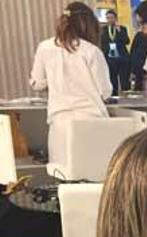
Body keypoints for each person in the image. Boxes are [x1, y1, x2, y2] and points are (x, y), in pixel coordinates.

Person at [29, 1, 112, 173]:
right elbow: (105, 92)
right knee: (94, 176)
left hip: (59, 123)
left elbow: (36, 83)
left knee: (63, 177)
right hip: (91, 121)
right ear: (88, 24)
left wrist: (54, 82)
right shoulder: (91, 51)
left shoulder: (44, 47)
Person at [100, 9, 131, 95]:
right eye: (108, 18)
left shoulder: (122, 28)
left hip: (121, 57)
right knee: (112, 78)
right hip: (109, 58)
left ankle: (126, 95)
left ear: (115, 18)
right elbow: (101, 43)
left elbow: (126, 41)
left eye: (111, 18)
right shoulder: (103, 30)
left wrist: (119, 31)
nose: (110, 20)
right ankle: (114, 95)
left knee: (124, 79)